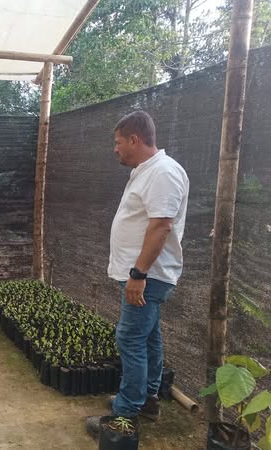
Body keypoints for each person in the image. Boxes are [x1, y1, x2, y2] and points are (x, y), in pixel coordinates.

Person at [86, 111, 189, 436]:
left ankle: (125, 415)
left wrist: (139, 274)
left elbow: (161, 226)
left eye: (118, 142)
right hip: (144, 275)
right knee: (148, 337)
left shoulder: (163, 172)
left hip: (148, 276)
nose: (115, 148)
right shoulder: (147, 171)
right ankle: (147, 399)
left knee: (130, 338)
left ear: (134, 139)